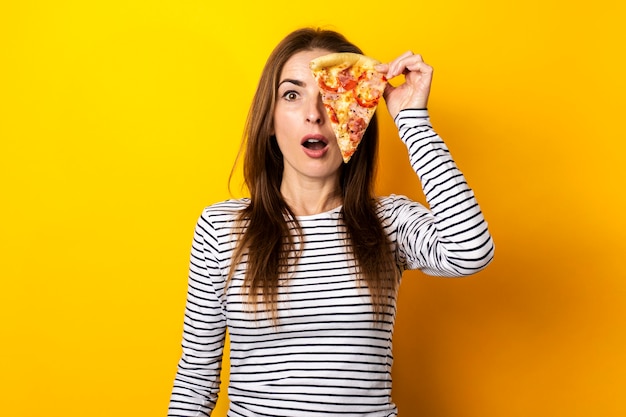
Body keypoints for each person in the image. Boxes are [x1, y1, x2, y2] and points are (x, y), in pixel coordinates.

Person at [167, 27, 494, 417]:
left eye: (331, 96)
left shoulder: (388, 221)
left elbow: (471, 251)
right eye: (292, 94)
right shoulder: (222, 228)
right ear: (269, 120)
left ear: (356, 118)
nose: (314, 113)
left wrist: (413, 122)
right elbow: (195, 380)